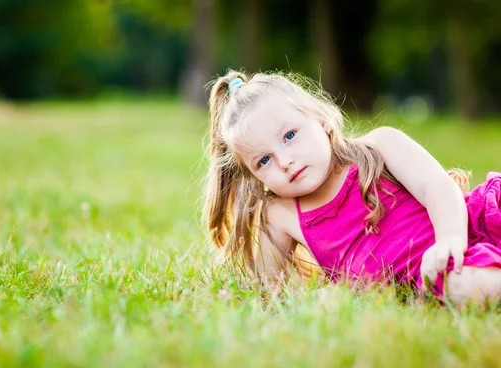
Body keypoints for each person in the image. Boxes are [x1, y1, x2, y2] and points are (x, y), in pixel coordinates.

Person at [202, 70, 501, 305]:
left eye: (290, 135)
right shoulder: (280, 215)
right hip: (436, 275)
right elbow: (265, 291)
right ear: (254, 176)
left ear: (322, 121)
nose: (284, 161)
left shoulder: (380, 147)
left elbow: (436, 187)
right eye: (264, 160)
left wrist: (450, 238)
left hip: (468, 227)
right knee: (463, 288)